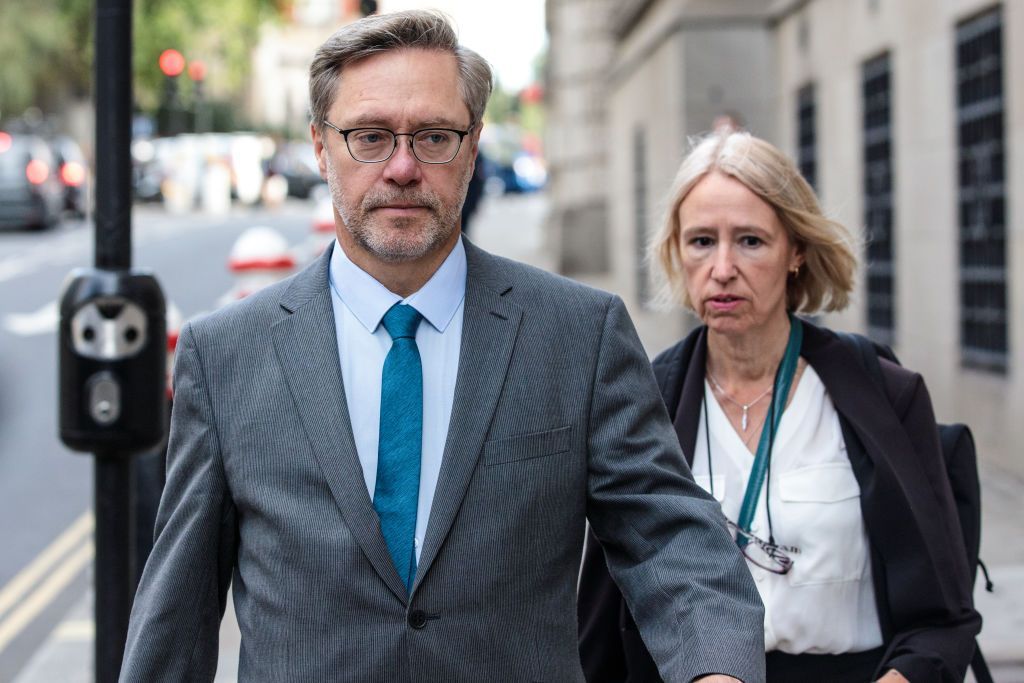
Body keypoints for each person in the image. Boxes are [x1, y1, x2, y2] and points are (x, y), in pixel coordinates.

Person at [120, 11, 765, 682]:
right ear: (320, 146)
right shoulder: (224, 355)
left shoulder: (579, 333)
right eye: (369, 137)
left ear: (474, 143)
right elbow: (179, 609)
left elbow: (670, 537)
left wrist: (714, 668)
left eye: (433, 136)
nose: (402, 167)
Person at [577, 130, 982, 683]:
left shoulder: (885, 395)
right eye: (701, 241)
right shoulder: (644, 402)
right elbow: (600, 625)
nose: (722, 268)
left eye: (749, 241)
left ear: (796, 251)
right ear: (676, 250)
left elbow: (943, 619)